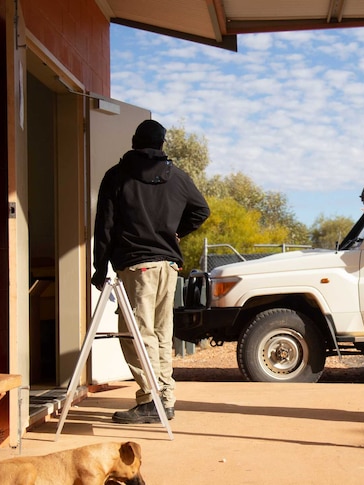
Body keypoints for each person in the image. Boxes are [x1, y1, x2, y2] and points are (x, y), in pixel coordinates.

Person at [92, 119, 210, 424]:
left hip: (136, 266)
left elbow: (104, 226)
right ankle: (164, 398)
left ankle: (150, 399)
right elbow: (201, 210)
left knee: (136, 334)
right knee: (158, 333)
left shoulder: (116, 177)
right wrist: (175, 233)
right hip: (168, 266)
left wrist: (99, 265)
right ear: (162, 144)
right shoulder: (178, 177)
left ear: (134, 140)